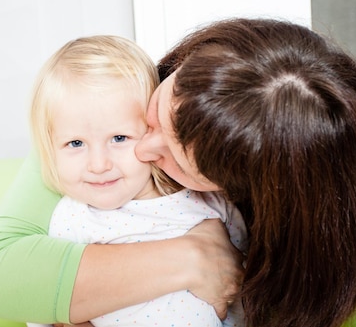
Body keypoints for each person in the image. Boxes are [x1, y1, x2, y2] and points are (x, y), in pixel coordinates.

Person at [0, 18, 356, 327]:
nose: (144, 146)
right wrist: (194, 258)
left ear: (241, 188)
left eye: (180, 159)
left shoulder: (296, 213)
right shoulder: (104, 110)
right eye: (157, 116)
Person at [23, 35, 246, 327]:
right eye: (76, 143)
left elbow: (240, 283)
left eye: (119, 138)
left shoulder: (208, 201)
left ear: (152, 130)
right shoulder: (71, 219)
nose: (99, 165)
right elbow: (43, 304)